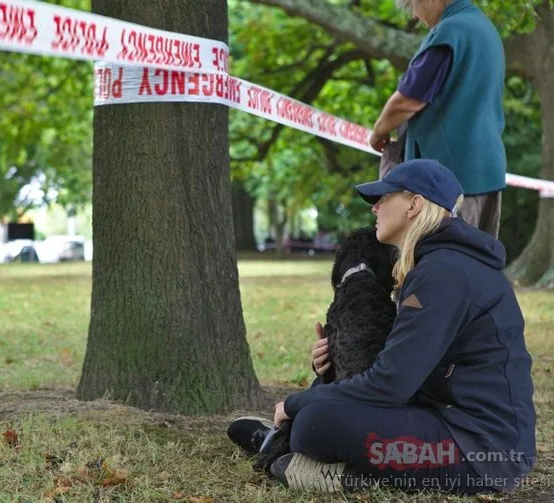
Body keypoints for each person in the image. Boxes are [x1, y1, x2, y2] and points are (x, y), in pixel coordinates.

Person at [228, 159, 536, 495]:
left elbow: (390, 384)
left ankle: (326, 467)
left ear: (414, 205)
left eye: (384, 198)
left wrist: (295, 403)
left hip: (481, 451)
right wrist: (330, 365)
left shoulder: (443, 273)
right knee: (320, 406)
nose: (375, 208)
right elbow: (409, 361)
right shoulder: (440, 264)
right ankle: (288, 445)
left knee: (315, 423)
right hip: (455, 424)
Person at [369, 0, 507, 238]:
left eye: (411, 5)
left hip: (450, 182)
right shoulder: (486, 30)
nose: (413, 15)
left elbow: (408, 100)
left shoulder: (450, 31)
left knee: (444, 267)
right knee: (478, 266)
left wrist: (379, 130)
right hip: (487, 174)